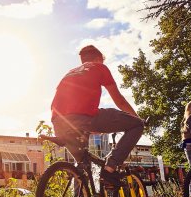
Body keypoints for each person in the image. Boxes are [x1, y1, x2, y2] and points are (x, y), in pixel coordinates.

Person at [51, 44, 144, 186]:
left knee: (82, 167)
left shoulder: (71, 72)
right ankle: (110, 169)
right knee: (137, 124)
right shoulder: (99, 66)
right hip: (82, 118)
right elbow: (120, 101)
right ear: (99, 58)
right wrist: (137, 118)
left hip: (59, 123)